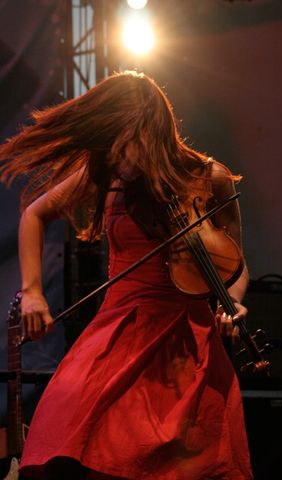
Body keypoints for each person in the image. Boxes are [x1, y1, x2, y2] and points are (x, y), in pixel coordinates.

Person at [0, 70, 253, 480]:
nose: (118, 155)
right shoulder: (108, 174)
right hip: (118, 331)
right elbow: (35, 213)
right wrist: (32, 291)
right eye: (111, 144)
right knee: (62, 434)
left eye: (126, 142)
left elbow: (235, 268)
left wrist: (233, 304)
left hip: (188, 342)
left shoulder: (211, 178)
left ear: (153, 130)